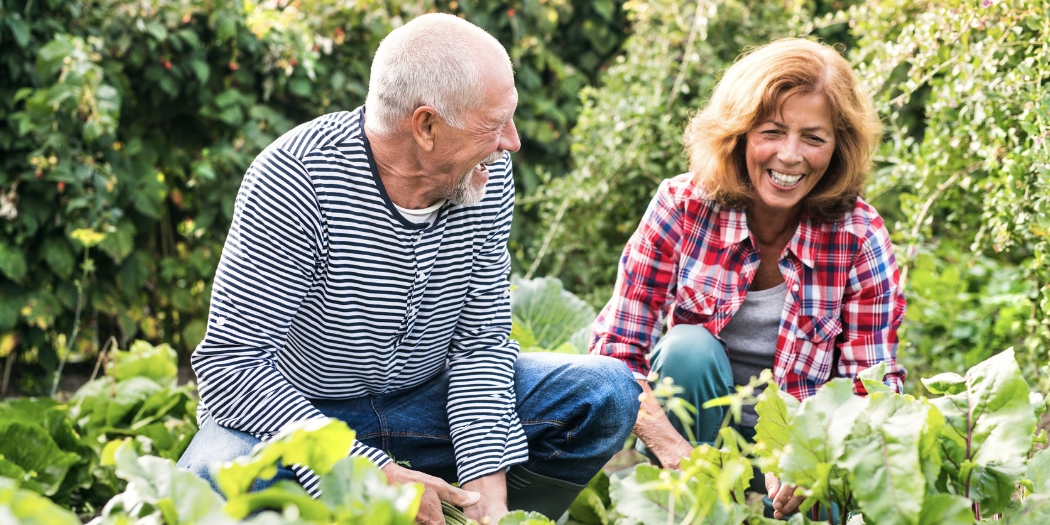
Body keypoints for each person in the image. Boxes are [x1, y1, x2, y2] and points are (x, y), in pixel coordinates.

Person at [176, 13, 640, 525]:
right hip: (304, 414)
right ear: (425, 126)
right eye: (494, 123)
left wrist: (490, 499)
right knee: (212, 480)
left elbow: (480, 347)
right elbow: (231, 366)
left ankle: (464, 515)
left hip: (425, 408)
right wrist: (367, 470)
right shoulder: (297, 178)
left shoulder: (483, 174)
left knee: (607, 393)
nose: (511, 141)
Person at [589, 38, 905, 520]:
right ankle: (693, 508)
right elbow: (615, 354)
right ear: (739, 132)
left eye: (814, 138)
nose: (791, 156)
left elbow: (871, 387)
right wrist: (676, 454)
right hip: (694, 444)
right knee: (688, 348)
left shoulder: (859, 236)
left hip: (801, 458)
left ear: (838, 148)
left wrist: (809, 458)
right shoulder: (682, 206)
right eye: (772, 131)